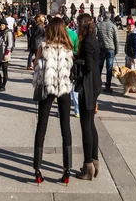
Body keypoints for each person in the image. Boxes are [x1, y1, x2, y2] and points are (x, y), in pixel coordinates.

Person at [32, 17, 74, 185]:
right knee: (66, 127)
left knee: (41, 126)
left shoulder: (43, 47)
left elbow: (35, 66)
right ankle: (67, 169)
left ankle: (37, 169)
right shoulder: (68, 48)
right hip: (63, 88)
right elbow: (70, 69)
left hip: (47, 88)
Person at [75, 13, 101, 181]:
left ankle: (87, 166)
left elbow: (89, 65)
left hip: (88, 85)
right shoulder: (93, 38)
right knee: (90, 124)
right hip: (94, 83)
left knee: (85, 125)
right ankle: (94, 161)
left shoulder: (87, 41)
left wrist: (75, 60)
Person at [96, 11, 119, 93]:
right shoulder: (113, 26)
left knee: (99, 67)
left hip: (101, 48)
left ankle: (97, 84)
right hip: (110, 49)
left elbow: (95, 36)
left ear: (103, 16)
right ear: (110, 17)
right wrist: (117, 50)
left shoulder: (99, 25)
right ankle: (108, 85)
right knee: (109, 68)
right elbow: (116, 39)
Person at [63, 15, 79, 117]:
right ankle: (77, 110)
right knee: (73, 86)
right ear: (69, 24)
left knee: (63, 86)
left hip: (61, 61)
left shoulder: (59, 34)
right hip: (71, 60)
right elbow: (77, 49)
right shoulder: (73, 33)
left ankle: (62, 110)